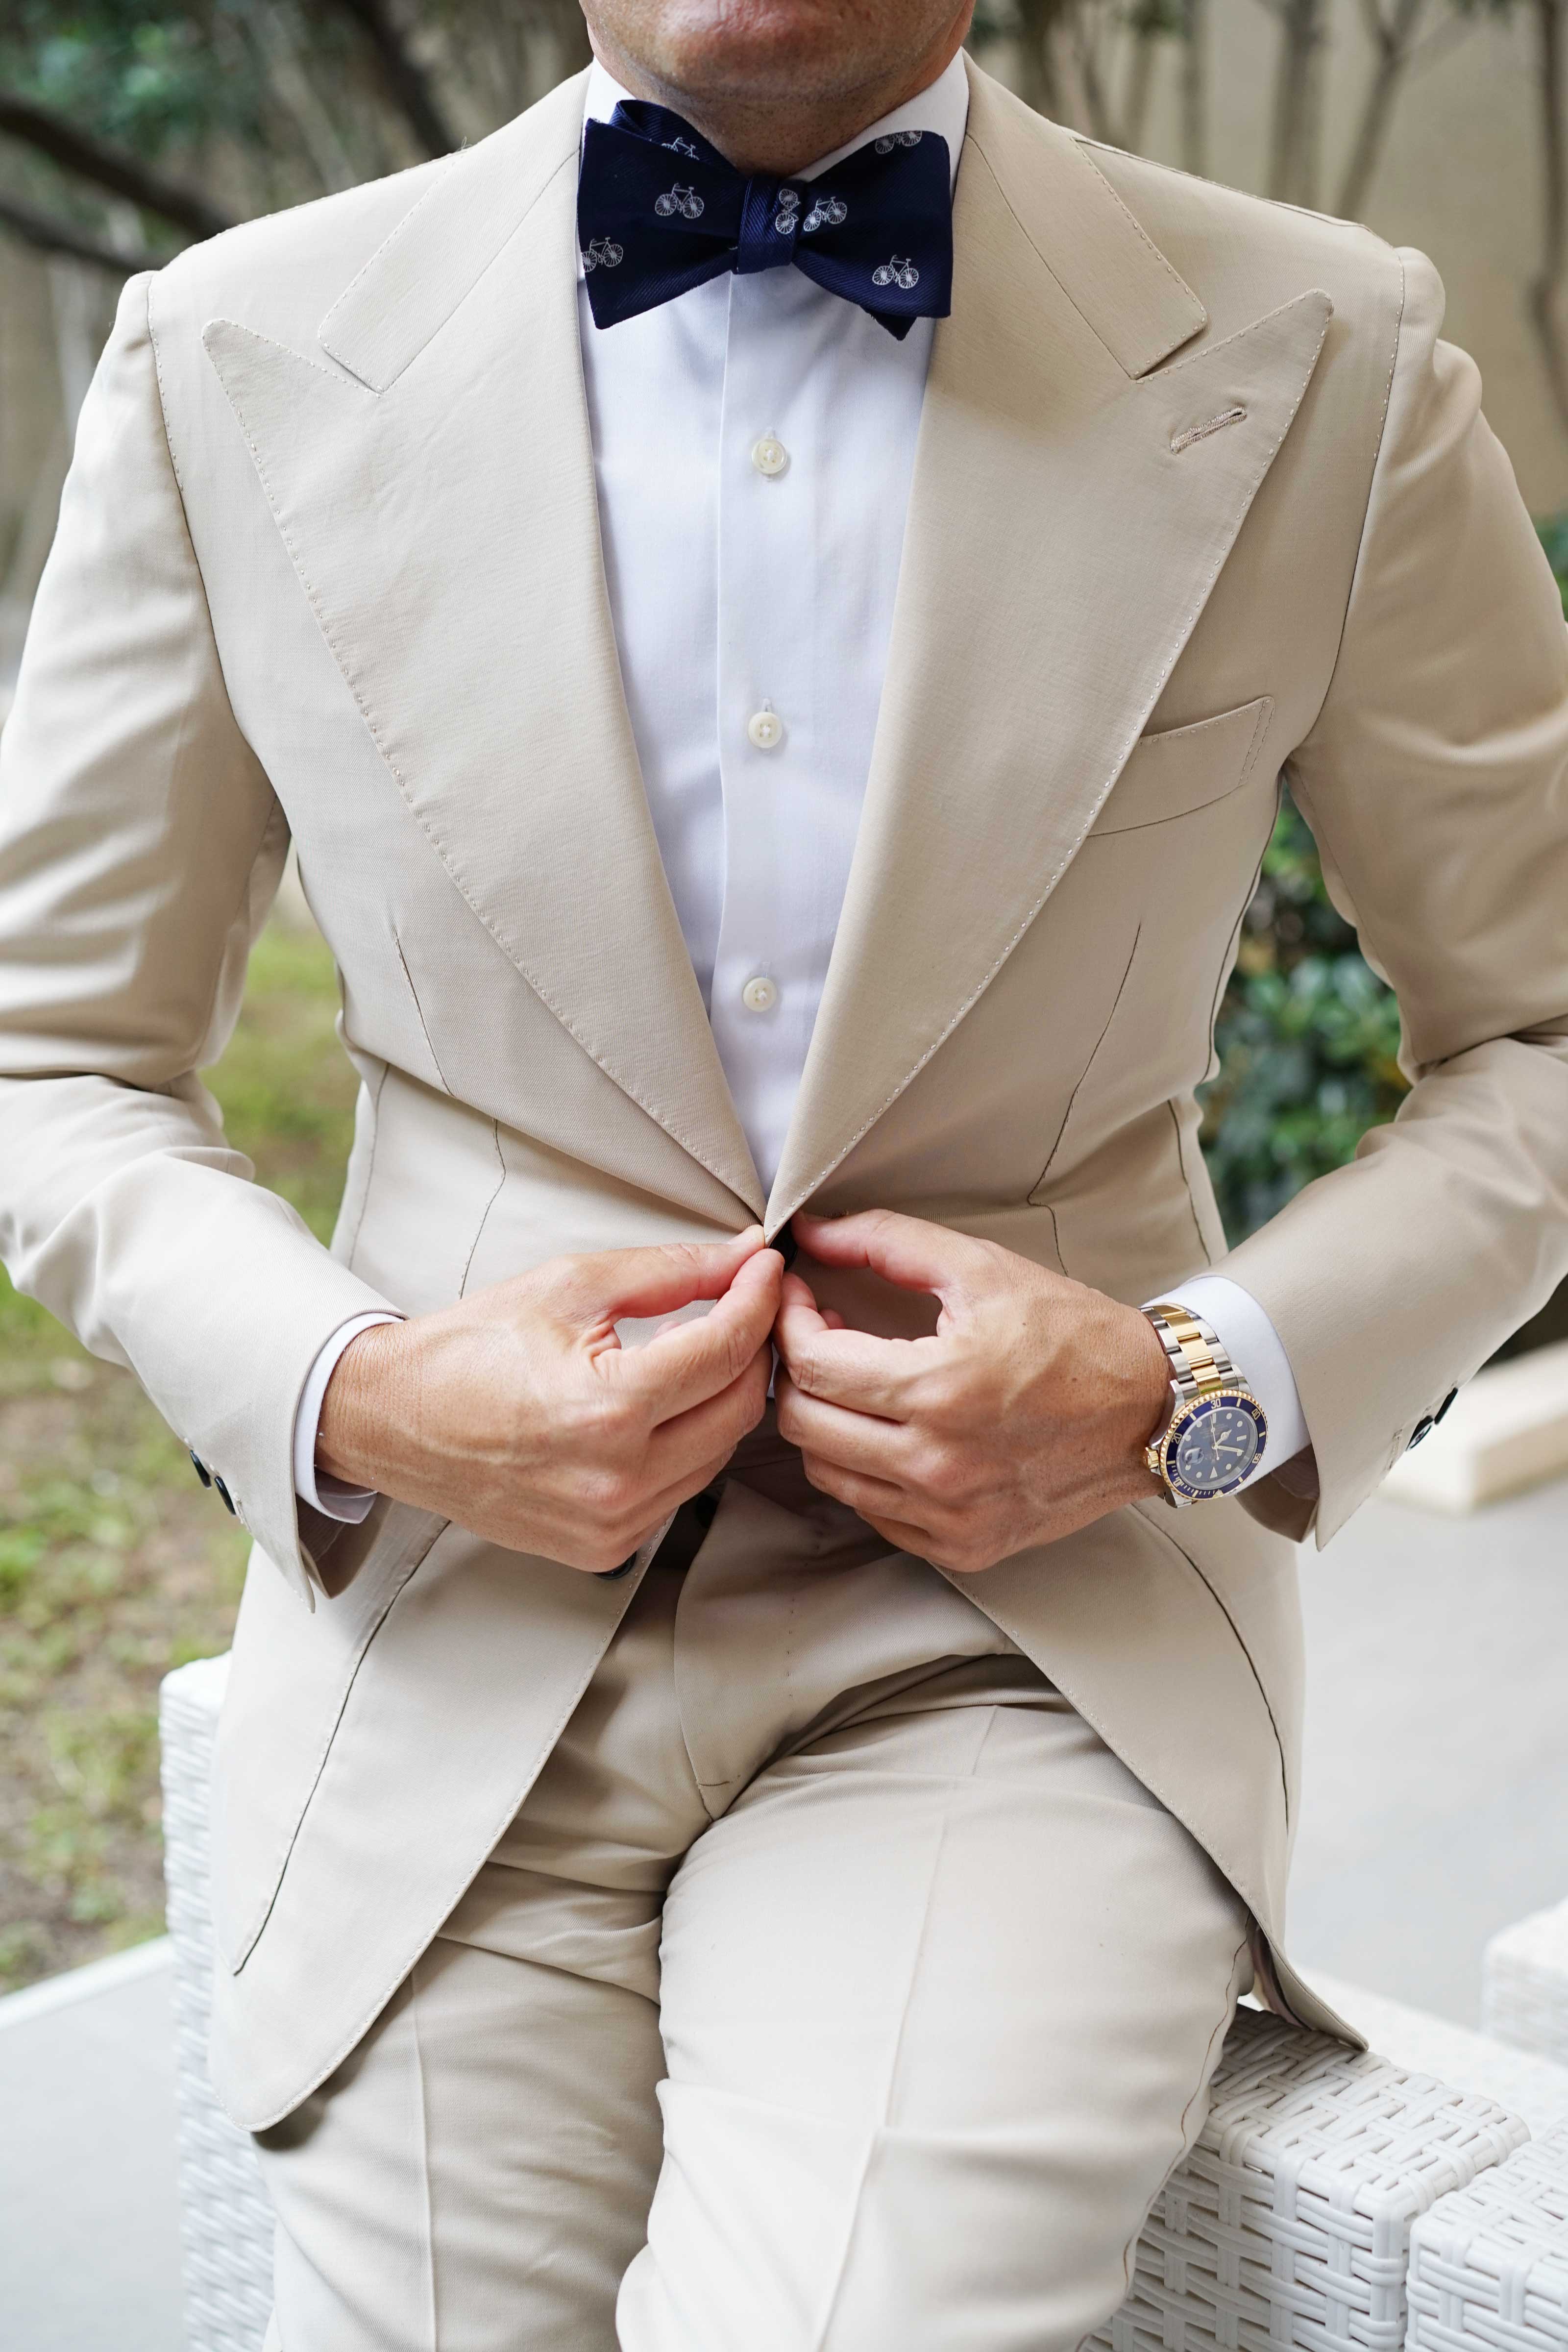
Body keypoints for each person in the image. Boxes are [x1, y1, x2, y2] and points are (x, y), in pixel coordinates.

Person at [2, 0, 1567, 2340]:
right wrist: (354, 1392)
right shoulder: (228, 351)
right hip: (443, 1638)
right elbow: (52, 1054)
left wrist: (1180, 1387)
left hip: (1019, 1647)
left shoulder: (1325, 351)